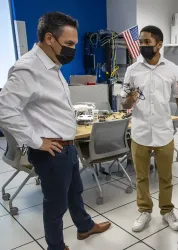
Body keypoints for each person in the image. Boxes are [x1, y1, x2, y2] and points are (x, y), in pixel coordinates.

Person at [0, 12, 111, 250]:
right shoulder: (28, 68)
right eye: (69, 43)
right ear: (49, 38)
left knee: (75, 192)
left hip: (67, 145)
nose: (72, 49)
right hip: (51, 150)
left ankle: (85, 227)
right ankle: (56, 247)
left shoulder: (52, 64)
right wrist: (36, 141)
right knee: (55, 204)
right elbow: (4, 109)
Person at [121, 25, 178, 232]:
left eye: (147, 42)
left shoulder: (173, 69)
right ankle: (144, 211)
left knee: (165, 177)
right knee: (141, 177)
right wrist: (129, 101)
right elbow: (124, 104)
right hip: (140, 132)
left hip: (164, 132)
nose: (143, 46)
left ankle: (167, 210)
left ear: (159, 44)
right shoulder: (132, 70)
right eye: (140, 42)